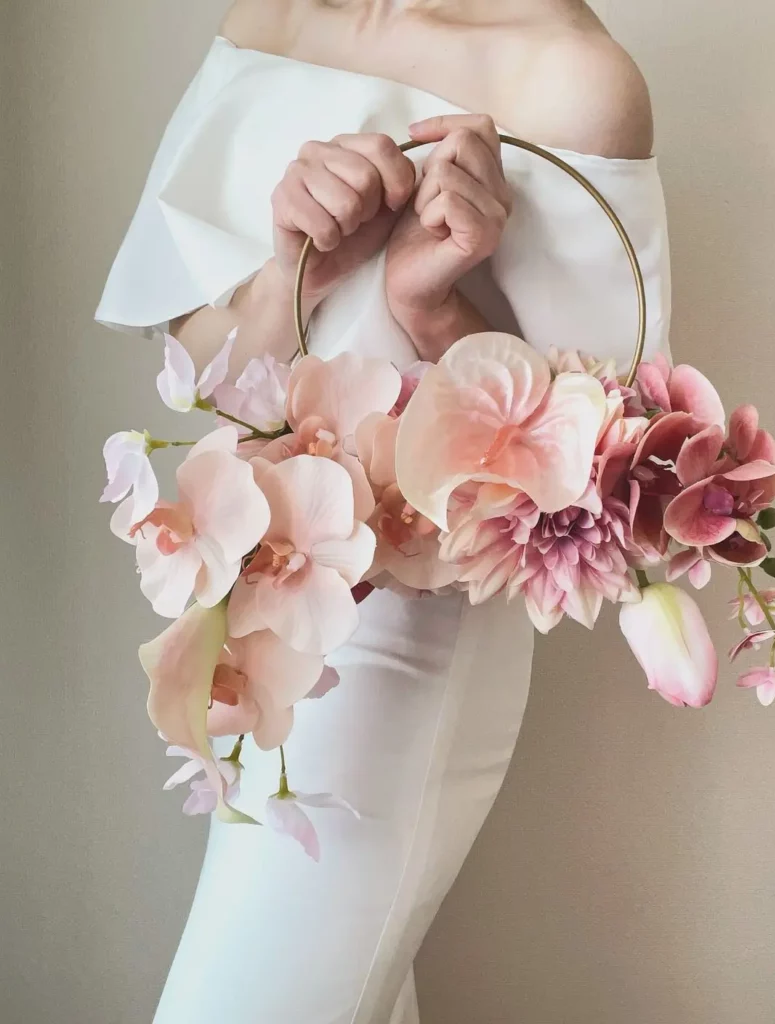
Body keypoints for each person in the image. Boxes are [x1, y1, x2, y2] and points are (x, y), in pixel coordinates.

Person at [96, 1, 671, 1020]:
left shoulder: (574, 79)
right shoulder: (269, 17)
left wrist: (431, 306)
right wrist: (299, 266)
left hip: (404, 654)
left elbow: (601, 498)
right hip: (252, 632)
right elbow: (207, 381)